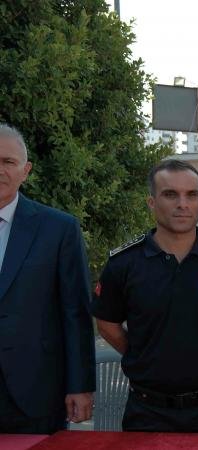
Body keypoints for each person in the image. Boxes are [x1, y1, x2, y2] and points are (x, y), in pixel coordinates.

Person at [93, 159, 198, 432]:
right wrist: (142, 353)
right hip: (148, 412)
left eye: (191, 195)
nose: (183, 203)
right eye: (171, 194)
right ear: (151, 202)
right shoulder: (124, 263)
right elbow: (107, 323)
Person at [0, 124, 95, 434]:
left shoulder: (58, 229)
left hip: (35, 393)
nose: (0, 169)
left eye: (8, 162)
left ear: (25, 170)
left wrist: (80, 386)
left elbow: (75, 313)